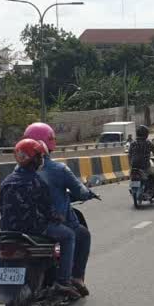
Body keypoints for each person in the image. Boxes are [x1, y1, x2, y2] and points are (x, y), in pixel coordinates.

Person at [0, 139, 80, 297]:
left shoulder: (6, 181)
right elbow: (47, 209)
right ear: (34, 159)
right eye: (39, 157)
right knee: (69, 235)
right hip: (36, 228)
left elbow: (2, 207)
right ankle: (63, 281)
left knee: (1, 242)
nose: (41, 160)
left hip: (9, 229)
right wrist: (58, 217)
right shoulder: (37, 182)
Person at [23, 123, 96, 296]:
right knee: (81, 234)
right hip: (50, 224)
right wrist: (88, 193)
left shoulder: (18, 170)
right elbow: (79, 191)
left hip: (23, 224)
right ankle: (72, 278)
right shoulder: (58, 169)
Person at [127, 125, 154, 196]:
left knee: (131, 174)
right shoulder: (149, 143)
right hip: (145, 167)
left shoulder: (132, 143)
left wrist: (131, 164)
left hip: (133, 168)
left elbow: (129, 155)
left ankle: (132, 187)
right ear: (146, 134)